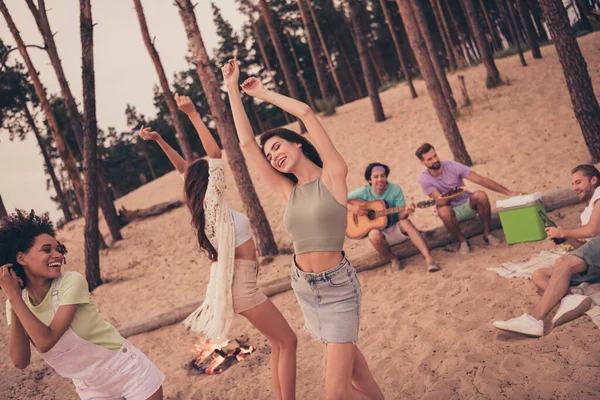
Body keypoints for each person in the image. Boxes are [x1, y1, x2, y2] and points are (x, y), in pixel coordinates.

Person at [222, 58, 383, 400]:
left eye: (278, 146)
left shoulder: (333, 175)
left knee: (336, 394)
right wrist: (232, 91)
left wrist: (264, 93)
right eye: (270, 155)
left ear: (296, 143)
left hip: (338, 290)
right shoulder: (287, 191)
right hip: (305, 289)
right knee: (356, 371)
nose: (273, 155)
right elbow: (248, 146)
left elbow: (308, 113)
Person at [139, 94, 297, 400]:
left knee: (281, 343)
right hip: (244, 289)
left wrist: (159, 139)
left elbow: (184, 169)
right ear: (208, 181)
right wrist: (193, 114)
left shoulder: (204, 207)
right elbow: (214, 152)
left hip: (242, 286)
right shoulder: (211, 202)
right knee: (288, 342)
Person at [0, 210, 164, 399]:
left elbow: (46, 341)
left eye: (59, 250)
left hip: (127, 371)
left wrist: (14, 297)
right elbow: (20, 361)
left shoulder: (71, 282)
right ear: (22, 259)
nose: (58, 255)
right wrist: (14, 299)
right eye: (47, 250)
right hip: (90, 387)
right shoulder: (17, 301)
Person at [493, 165, 600, 337]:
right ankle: (570, 298)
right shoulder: (586, 213)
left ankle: (534, 319)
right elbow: (586, 251)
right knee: (539, 274)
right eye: (573, 184)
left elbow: (593, 231)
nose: (575, 188)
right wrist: (567, 240)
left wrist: (563, 231)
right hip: (596, 262)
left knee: (562, 263)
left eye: (579, 182)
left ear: (594, 180)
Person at [415, 143, 520, 254]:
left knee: (481, 195)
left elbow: (481, 180)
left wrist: (509, 193)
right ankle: (463, 241)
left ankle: (487, 234)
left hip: (467, 204)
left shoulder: (452, 166)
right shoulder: (424, 179)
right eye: (430, 159)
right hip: (452, 212)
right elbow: (441, 201)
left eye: (435, 156)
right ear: (422, 162)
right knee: (443, 211)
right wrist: (457, 192)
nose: (435, 160)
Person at [348, 162, 439, 272]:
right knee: (373, 235)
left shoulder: (395, 189)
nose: (380, 179)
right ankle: (393, 259)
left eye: (383, 176)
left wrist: (407, 212)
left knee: (405, 222)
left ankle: (429, 258)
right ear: (369, 180)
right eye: (376, 177)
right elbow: (337, 198)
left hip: (396, 228)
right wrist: (351, 207)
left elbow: (401, 216)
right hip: (382, 235)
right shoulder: (363, 192)